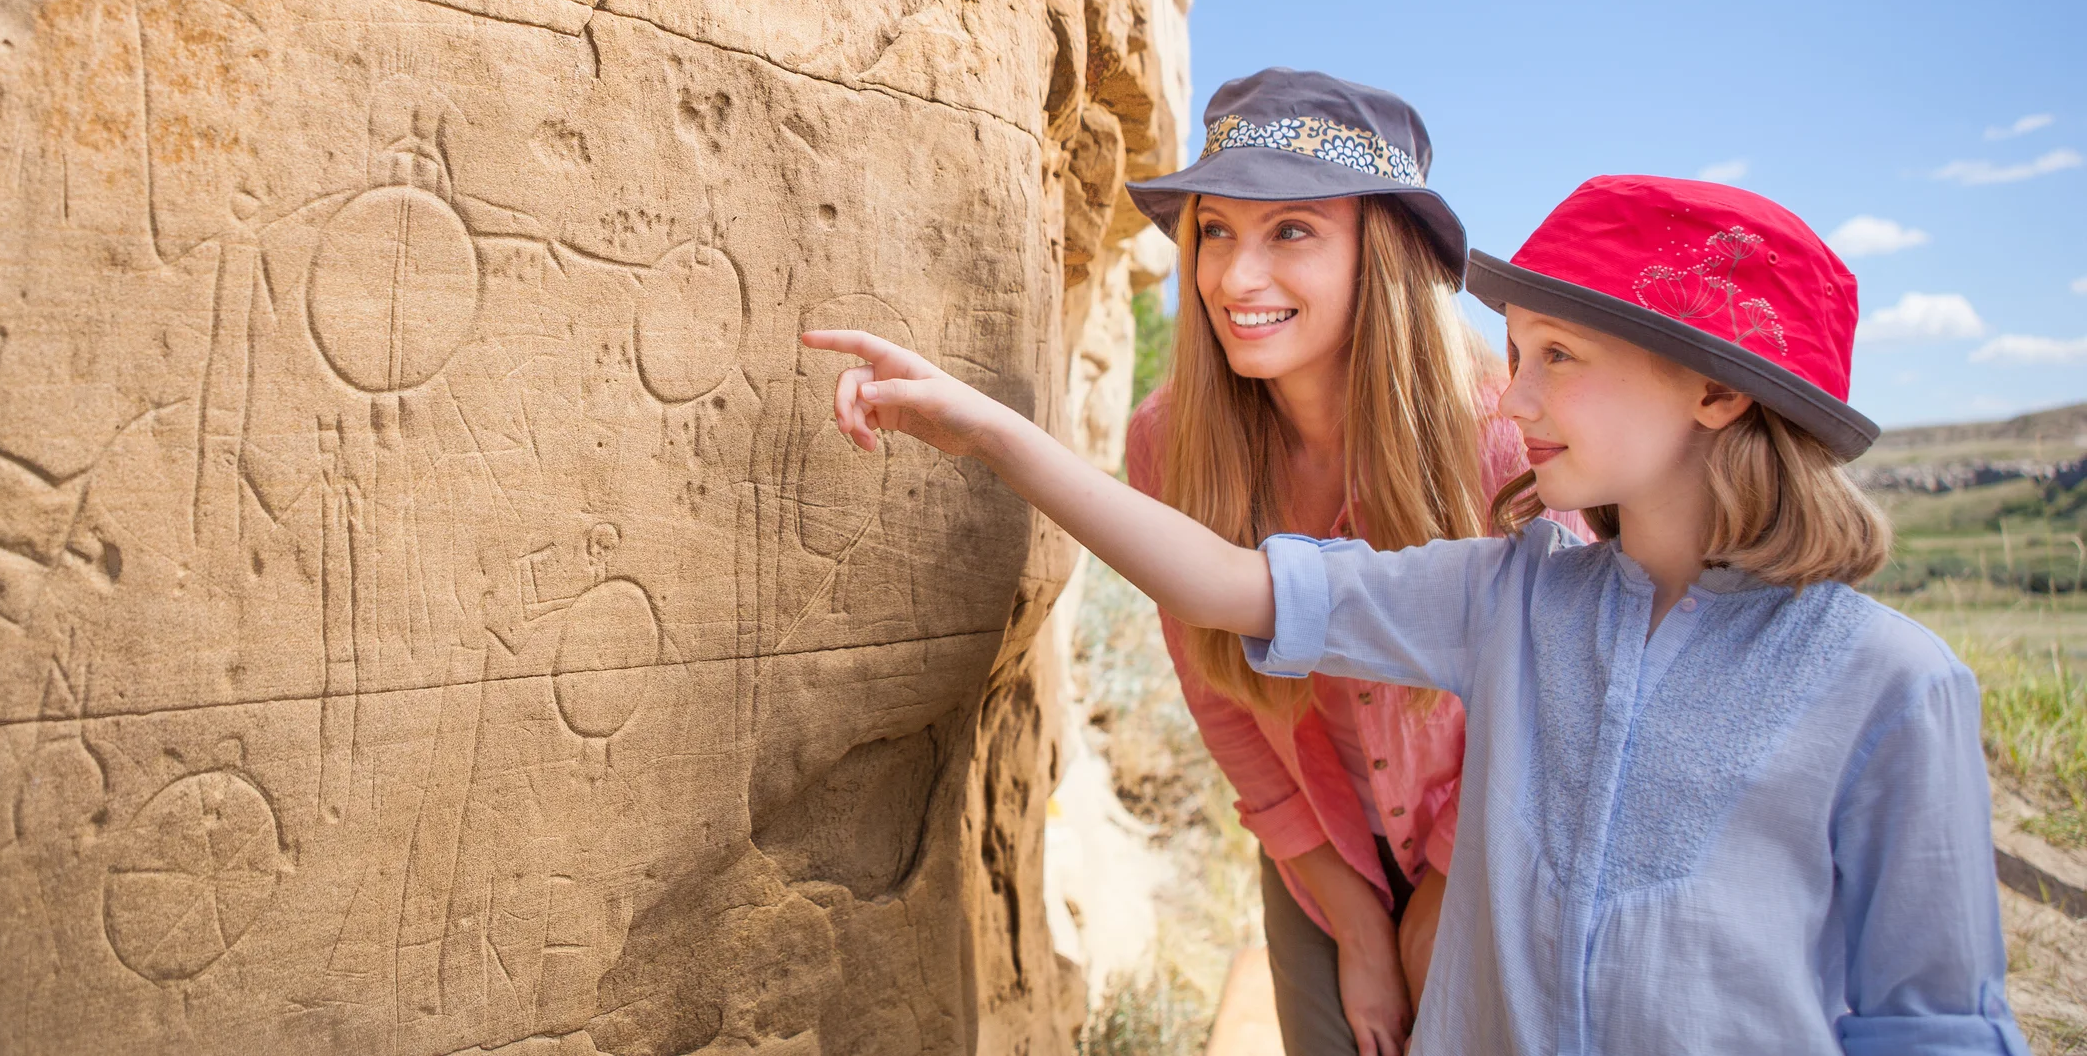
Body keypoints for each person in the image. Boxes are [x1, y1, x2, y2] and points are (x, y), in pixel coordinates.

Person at [804, 174, 2026, 1055]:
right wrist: (988, 429)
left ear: (1716, 389)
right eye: (1517, 352)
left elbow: (1933, 1020)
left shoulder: (1892, 685)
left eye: (1560, 357)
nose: (1518, 395)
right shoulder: (1510, 595)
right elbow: (1223, 583)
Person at [1118, 68, 1564, 1055]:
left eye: (1291, 230)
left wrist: (1440, 890)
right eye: (1216, 230)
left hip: (1503, 841)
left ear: (1382, 251)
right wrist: (1357, 921)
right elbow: (1217, 695)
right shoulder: (1167, 442)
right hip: (1317, 858)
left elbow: (1552, 700)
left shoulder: (1505, 439)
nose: (1236, 277)